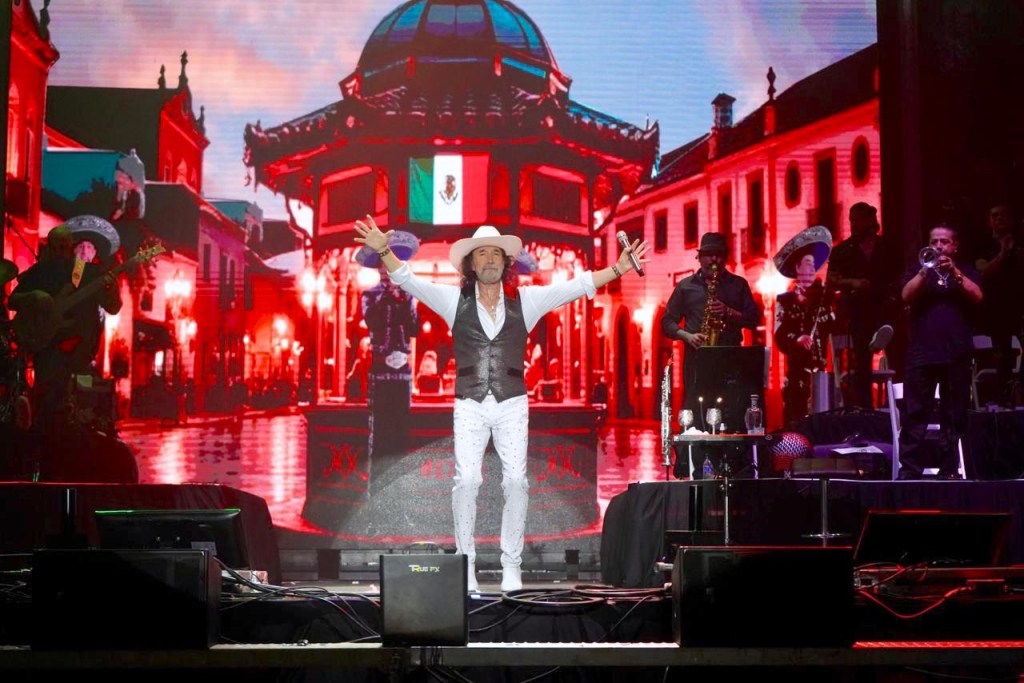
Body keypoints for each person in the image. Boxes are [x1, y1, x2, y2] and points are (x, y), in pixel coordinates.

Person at [355, 216, 648, 592]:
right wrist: (383, 250)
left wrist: (618, 268)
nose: (490, 259)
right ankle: (466, 564)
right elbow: (409, 280)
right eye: (482, 254)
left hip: (512, 403)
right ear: (471, 264)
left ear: (506, 262)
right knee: (466, 481)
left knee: (516, 483)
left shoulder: (527, 301)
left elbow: (577, 286)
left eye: (496, 253)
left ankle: (512, 565)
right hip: (469, 402)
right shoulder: (453, 301)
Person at [897, 224, 983, 479]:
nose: (938, 246)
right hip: (922, 353)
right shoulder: (918, 270)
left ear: (954, 246)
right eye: (934, 241)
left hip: (956, 353)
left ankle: (949, 470)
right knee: (915, 413)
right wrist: (925, 270)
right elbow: (906, 295)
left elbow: (978, 296)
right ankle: (910, 471)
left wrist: (955, 272)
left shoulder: (965, 270)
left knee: (953, 414)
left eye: (944, 242)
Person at [659, 232, 760, 415]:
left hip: (730, 359)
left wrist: (729, 312)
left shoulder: (739, 284)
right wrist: (687, 336)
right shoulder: (685, 287)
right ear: (699, 258)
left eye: (719, 254)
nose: (714, 259)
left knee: (730, 413)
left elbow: (754, 319)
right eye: (709, 254)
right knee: (697, 412)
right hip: (697, 360)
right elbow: (667, 322)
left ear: (725, 258)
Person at [826, 202, 900, 409]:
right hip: (858, 312)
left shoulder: (887, 246)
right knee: (861, 363)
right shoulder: (842, 251)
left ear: (871, 220)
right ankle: (865, 409)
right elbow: (831, 281)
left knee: (896, 356)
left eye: (858, 220)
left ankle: (898, 404)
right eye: (851, 220)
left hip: (886, 308)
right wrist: (853, 283)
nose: (853, 225)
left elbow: (900, 275)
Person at [772, 226, 835, 428]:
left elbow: (834, 324)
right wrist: (797, 338)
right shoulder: (785, 300)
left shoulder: (823, 298)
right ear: (798, 268)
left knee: (823, 420)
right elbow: (779, 334)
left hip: (821, 371)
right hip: (797, 372)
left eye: (814, 264)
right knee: (796, 419)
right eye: (808, 263)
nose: (812, 268)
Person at [361, 262, 418, 458]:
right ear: (379, 270)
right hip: (381, 371)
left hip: (402, 372)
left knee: (401, 425)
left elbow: (414, 328)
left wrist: (403, 299)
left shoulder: (407, 296)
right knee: (381, 426)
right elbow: (371, 321)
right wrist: (387, 296)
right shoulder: (370, 295)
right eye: (385, 268)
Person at [976, 203, 1024, 407]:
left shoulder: (1020, 243)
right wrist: (1003, 253)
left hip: (1020, 308)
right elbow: (983, 272)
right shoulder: (985, 245)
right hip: (997, 311)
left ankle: (1018, 389)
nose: (998, 219)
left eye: (1003, 215)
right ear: (989, 220)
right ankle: (1002, 402)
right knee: (1001, 358)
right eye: (994, 215)